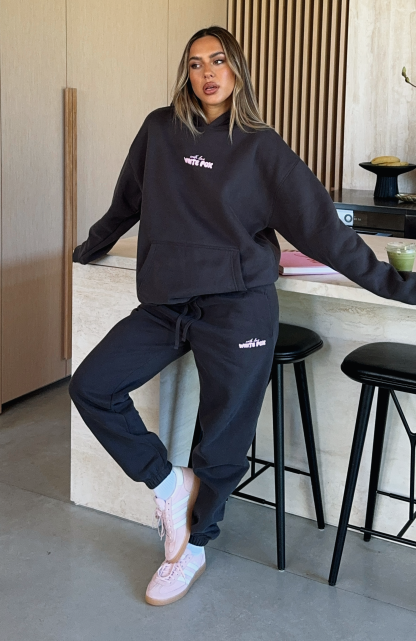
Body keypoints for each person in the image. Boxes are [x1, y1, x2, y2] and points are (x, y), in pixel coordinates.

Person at [69, 26, 416, 606]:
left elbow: (324, 231)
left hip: (238, 308)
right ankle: (170, 486)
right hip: (166, 303)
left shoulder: (262, 148)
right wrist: (92, 246)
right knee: (92, 386)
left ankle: (192, 548)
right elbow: (127, 200)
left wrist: (397, 285)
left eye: (219, 61)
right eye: (196, 63)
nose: (207, 73)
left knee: (223, 442)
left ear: (237, 70)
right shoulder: (159, 129)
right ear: (186, 73)